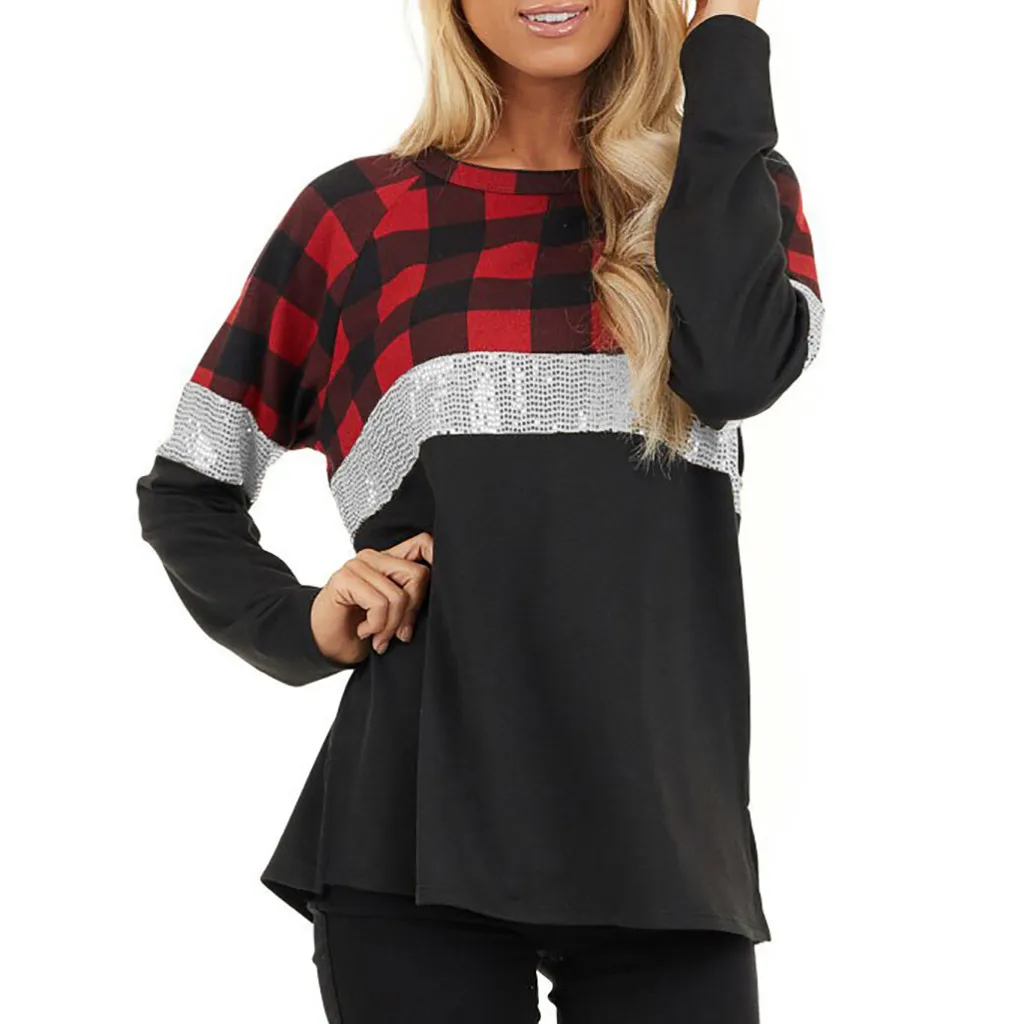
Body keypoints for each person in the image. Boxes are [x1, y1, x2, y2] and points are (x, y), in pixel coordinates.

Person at [136, 0, 823, 1020]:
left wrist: (722, 38)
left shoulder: (728, 193)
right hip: (412, 832)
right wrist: (302, 618)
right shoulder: (356, 217)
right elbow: (189, 487)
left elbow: (733, 371)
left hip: (667, 835)